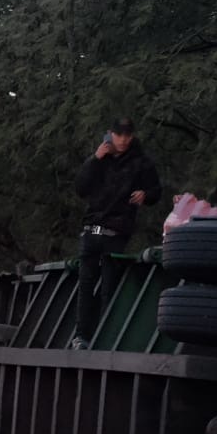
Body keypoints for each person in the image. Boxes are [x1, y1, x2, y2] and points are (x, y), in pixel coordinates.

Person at [72, 117, 162, 347]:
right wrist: (94, 160)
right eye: (119, 135)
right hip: (91, 230)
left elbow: (156, 191)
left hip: (116, 232)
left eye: (127, 135)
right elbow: (80, 188)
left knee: (109, 288)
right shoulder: (100, 158)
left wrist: (146, 195)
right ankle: (81, 336)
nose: (122, 140)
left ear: (132, 136)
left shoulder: (141, 162)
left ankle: (104, 337)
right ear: (111, 133)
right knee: (85, 286)